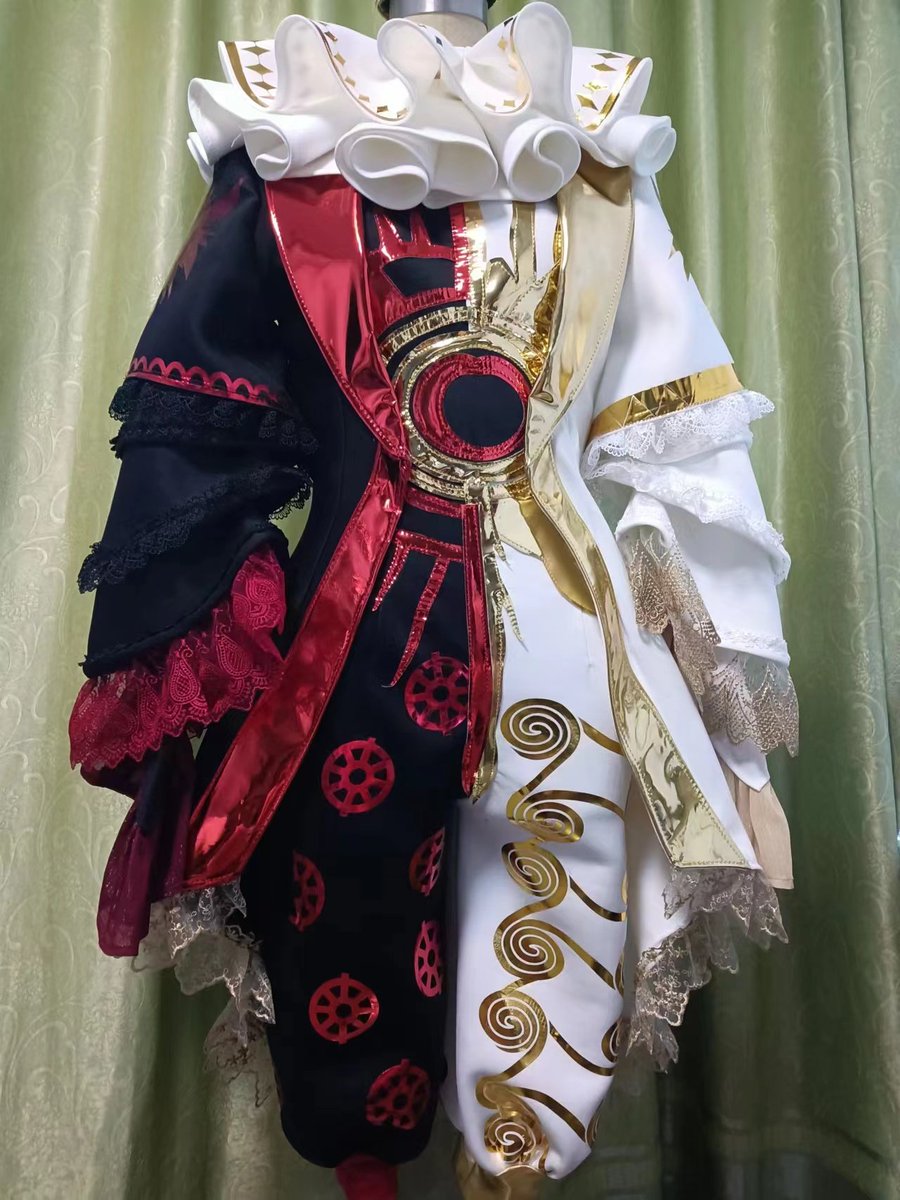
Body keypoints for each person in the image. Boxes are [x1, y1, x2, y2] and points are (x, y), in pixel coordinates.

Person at [69, 2, 798, 1196]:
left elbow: (687, 441)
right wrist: (192, 651)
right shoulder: (291, 139)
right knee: (344, 929)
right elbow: (198, 429)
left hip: (566, 638)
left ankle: (517, 1159)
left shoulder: (592, 147)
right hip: (341, 644)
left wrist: (728, 719)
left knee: (556, 926)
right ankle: (371, 1156)